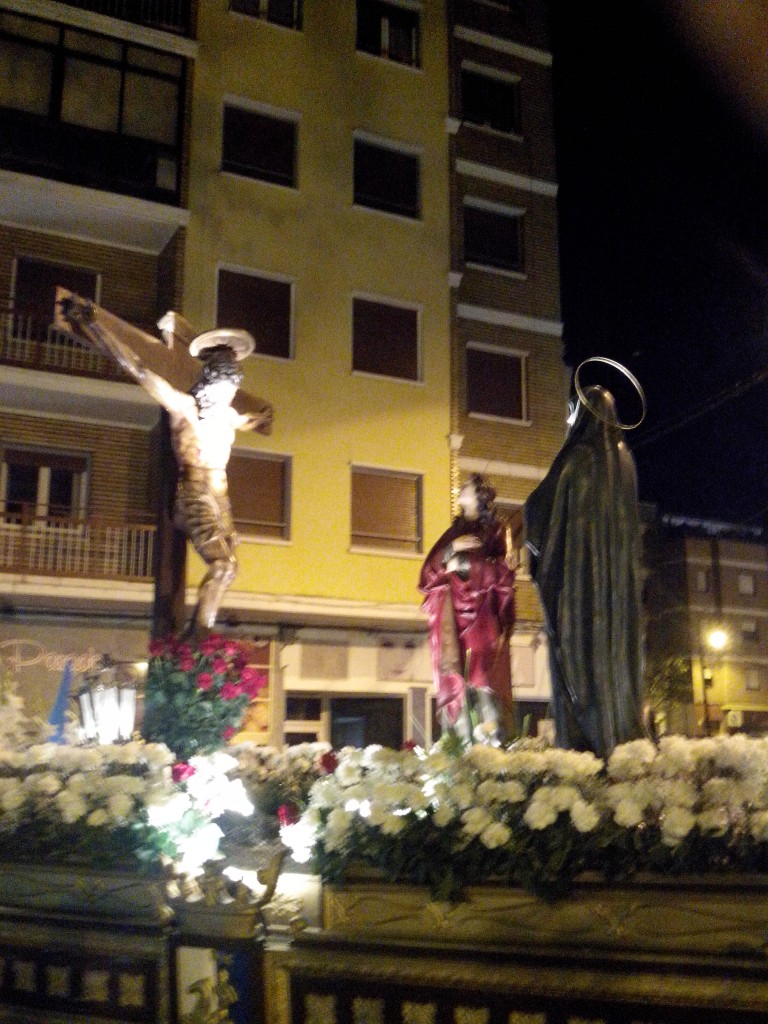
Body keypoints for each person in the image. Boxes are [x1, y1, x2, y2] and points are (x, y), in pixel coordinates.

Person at [55, 291, 272, 636]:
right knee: (222, 566)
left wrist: (264, 415)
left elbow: (261, 419)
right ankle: (199, 638)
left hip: (220, 498)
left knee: (229, 569)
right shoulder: (184, 407)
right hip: (194, 493)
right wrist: (94, 325)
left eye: (232, 389)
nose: (228, 395)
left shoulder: (228, 415)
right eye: (224, 387)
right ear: (210, 382)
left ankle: (199, 636)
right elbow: (139, 369)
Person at [524, 384, 645, 758]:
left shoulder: (576, 458)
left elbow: (538, 513)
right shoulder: (625, 462)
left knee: (577, 659)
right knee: (617, 659)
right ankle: (621, 737)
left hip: (579, 587)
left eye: (572, 411)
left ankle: (585, 744)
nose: (568, 419)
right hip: (618, 593)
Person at [419, 474, 515, 740]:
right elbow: (427, 575)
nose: (460, 489)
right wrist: (451, 550)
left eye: (466, 487)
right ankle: (459, 743)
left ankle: (492, 743)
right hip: (453, 619)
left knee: (484, 680)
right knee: (456, 681)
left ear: (479, 496)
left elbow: (504, 574)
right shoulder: (454, 533)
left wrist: (464, 565)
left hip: (482, 617)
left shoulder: (497, 530)